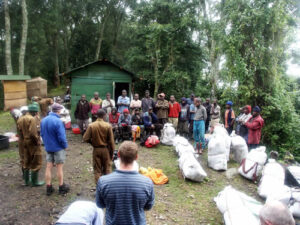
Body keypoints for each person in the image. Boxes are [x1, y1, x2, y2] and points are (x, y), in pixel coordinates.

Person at [96, 141, 155, 225]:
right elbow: (148, 206)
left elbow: (100, 204)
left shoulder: (103, 181)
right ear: (136, 157)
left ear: (118, 155)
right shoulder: (147, 183)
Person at [41, 103, 69, 196]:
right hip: (58, 148)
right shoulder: (58, 121)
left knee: (48, 167)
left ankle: (48, 188)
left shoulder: (43, 120)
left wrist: (47, 144)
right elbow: (61, 137)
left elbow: (41, 134)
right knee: (59, 168)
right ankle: (61, 187)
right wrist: (65, 146)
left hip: (48, 147)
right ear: (58, 111)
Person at [83, 109, 115, 183]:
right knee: (107, 169)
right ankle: (108, 186)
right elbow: (111, 141)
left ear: (97, 115)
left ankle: (99, 187)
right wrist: (112, 152)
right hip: (105, 150)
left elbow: (85, 138)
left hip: (96, 149)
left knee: (97, 170)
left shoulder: (91, 125)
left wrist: (92, 143)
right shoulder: (108, 126)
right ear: (104, 116)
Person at [17, 104, 45, 186]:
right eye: (36, 112)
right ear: (33, 112)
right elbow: (33, 133)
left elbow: (19, 132)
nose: (36, 113)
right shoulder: (31, 119)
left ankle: (26, 181)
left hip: (24, 142)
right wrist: (37, 141)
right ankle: (34, 182)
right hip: (32, 142)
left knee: (26, 160)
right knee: (36, 161)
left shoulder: (20, 119)